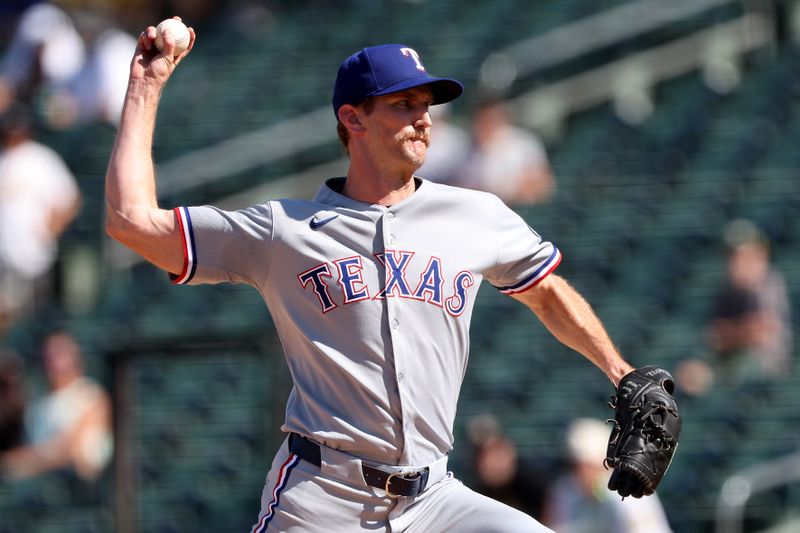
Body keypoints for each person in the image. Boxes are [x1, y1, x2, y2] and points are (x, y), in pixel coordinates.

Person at [104, 26, 647, 532]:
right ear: (354, 119)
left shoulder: (476, 215)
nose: (424, 118)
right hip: (322, 496)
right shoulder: (282, 231)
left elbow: (548, 293)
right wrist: (145, 85)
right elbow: (131, 222)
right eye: (403, 104)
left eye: (426, 105)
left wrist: (621, 372)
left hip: (435, 497)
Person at [0, 102, 81, 333]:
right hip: (4, 260)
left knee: (36, 322)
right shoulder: (2, 159)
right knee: (9, 322)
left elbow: (70, 199)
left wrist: (50, 230)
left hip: (36, 258)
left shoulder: (40, 158)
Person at [0, 2, 137, 128]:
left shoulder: (116, 50)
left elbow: (108, 114)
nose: (88, 24)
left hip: (107, 131)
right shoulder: (44, 19)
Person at [0, 330, 113, 481]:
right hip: (38, 483)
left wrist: (18, 461)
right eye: (49, 355)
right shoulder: (37, 402)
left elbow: (71, 450)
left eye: (60, 353)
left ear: (75, 357)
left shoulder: (90, 394)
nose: (53, 361)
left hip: (78, 486)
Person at [544, 418, 673, 533]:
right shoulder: (565, 490)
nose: (579, 471)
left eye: (585, 465)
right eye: (574, 465)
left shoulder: (630, 491)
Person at [706, 219, 792, 381]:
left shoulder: (769, 281)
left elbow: (762, 332)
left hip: (765, 369)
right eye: (732, 255)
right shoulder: (727, 289)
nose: (736, 262)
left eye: (742, 255)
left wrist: (731, 334)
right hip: (730, 365)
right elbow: (714, 337)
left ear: (760, 252)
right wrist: (742, 332)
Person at [453, 98, 556, 205]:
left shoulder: (523, 142)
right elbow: (460, 188)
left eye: (492, 118)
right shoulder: (465, 151)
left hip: (520, 210)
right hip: (483, 210)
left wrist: (512, 189)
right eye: (483, 119)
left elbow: (545, 184)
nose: (488, 124)